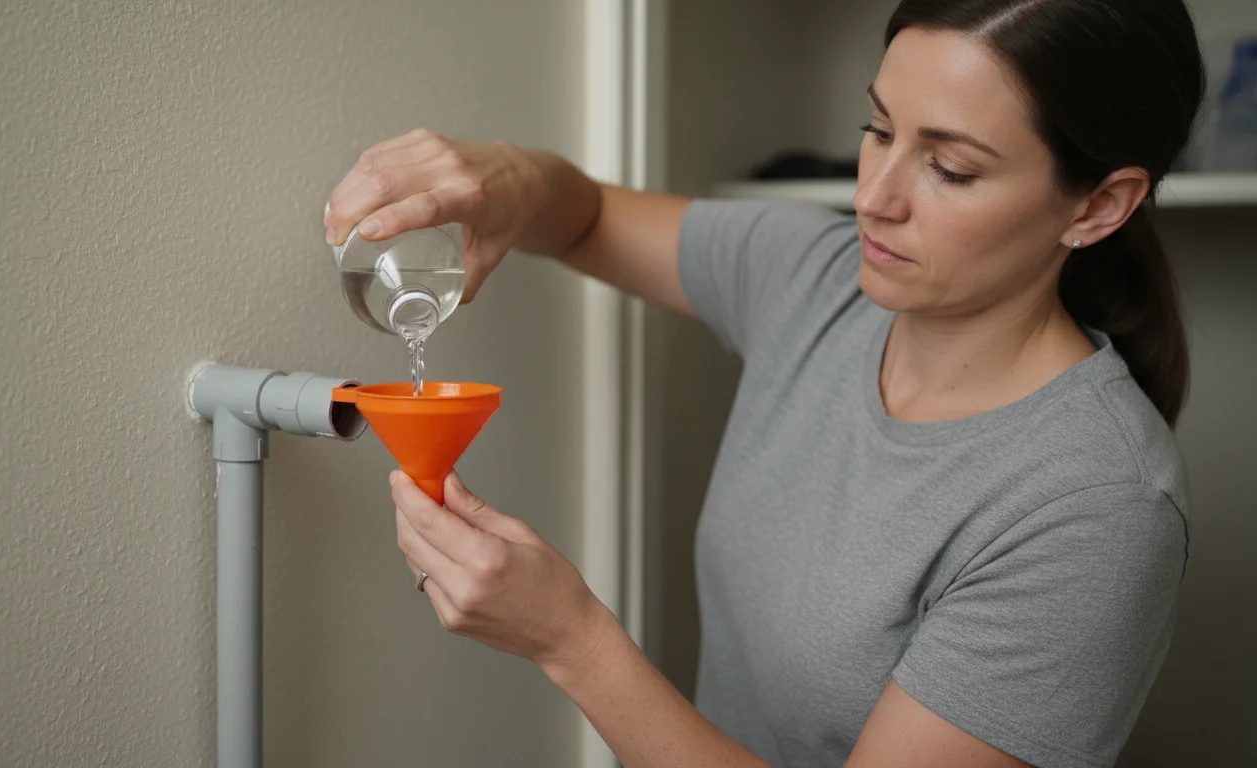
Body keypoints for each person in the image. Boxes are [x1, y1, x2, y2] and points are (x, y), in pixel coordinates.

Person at [323, 0, 1202, 765]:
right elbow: (583, 215)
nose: (874, 198)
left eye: (950, 168)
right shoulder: (815, 280)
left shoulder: (1095, 504)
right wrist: (505, 178)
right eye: (878, 130)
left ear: (1098, 206)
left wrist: (572, 640)